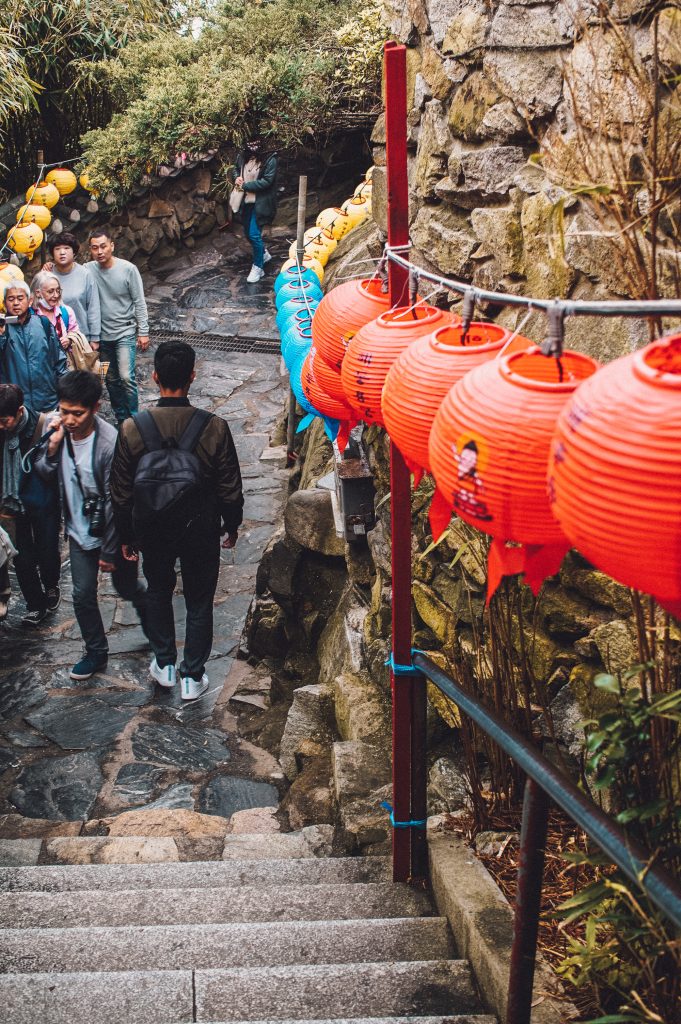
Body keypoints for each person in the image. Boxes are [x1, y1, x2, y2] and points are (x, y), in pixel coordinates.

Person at [110, 341, 243, 700]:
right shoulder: (214, 427)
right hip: (199, 527)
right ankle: (192, 677)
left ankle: (165, 663)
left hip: (152, 527)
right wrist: (231, 525)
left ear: (154, 377)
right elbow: (230, 486)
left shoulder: (132, 428)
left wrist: (127, 535)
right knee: (199, 599)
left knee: (157, 590)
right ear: (192, 377)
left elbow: (120, 492)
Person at [35, 371, 147, 680]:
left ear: (95, 408)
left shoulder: (111, 442)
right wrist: (54, 446)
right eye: (64, 411)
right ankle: (96, 651)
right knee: (82, 595)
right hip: (78, 530)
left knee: (125, 586)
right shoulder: (56, 430)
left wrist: (110, 553)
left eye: (77, 413)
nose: (69, 420)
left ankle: (151, 615)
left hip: (113, 534)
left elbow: (117, 501)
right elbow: (44, 472)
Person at [0, 383, 62, 625]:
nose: (2, 426)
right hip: (11, 504)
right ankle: (35, 605)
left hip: (43, 502)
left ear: (20, 411)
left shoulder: (43, 425)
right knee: (22, 557)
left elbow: (53, 469)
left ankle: (51, 585)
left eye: (5, 420)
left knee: (47, 550)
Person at [86, 230, 149, 424]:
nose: (100, 251)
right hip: (102, 336)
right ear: (90, 250)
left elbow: (139, 301)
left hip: (125, 331)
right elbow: (67, 272)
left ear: (112, 246)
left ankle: (135, 418)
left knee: (126, 377)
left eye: (103, 246)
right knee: (111, 380)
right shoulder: (87, 270)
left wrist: (143, 331)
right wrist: (49, 267)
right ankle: (122, 419)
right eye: (95, 248)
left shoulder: (128, 269)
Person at [0, 280, 67, 412]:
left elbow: (59, 361)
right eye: (11, 299)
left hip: (48, 402)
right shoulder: (2, 329)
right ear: (4, 303)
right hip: (15, 407)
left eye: (20, 298)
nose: (16, 303)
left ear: (30, 301)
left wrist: (66, 395)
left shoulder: (43, 324)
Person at [233, 136, 278, 284]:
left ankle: (258, 267)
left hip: (260, 203)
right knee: (247, 233)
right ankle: (263, 254)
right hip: (244, 201)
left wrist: (245, 185)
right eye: (250, 143)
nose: (253, 146)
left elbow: (267, 181)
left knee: (253, 235)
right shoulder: (242, 156)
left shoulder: (270, 159)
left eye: (256, 143)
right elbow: (235, 169)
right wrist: (236, 179)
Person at [44, 232, 101, 346]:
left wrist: (95, 338)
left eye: (67, 248)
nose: (62, 252)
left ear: (74, 252)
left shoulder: (85, 274)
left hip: (80, 337)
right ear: (52, 253)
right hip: (53, 338)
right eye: (57, 249)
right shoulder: (47, 275)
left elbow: (93, 308)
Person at [31, 269, 79, 344]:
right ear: (38, 293)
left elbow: (76, 334)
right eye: (50, 292)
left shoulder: (66, 312)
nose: (56, 295)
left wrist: (69, 340)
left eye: (58, 290)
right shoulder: (29, 315)